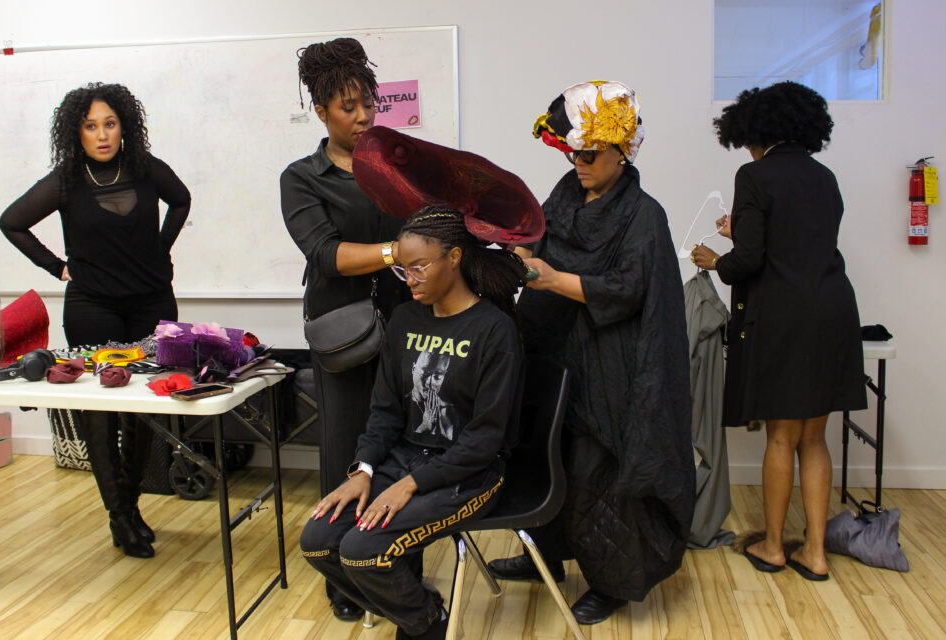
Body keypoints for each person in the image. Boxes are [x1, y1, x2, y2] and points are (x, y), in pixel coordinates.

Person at [488, 81, 694, 624]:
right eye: (570, 152)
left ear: (620, 152)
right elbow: (539, 242)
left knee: (597, 470)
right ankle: (546, 557)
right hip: (555, 353)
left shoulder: (644, 215)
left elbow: (627, 288)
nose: (577, 163)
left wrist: (555, 280)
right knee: (546, 454)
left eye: (587, 154)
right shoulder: (563, 194)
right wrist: (520, 252)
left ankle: (613, 582)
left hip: (612, 364)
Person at [299, 206, 526, 640]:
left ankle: (424, 626)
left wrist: (409, 485)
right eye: (403, 271)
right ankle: (423, 615)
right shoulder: (404, 321)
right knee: (318, 542)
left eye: (419, 267)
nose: (411, 279)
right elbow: (384, 410)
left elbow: (485, 439)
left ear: (455, 258)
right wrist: (363, 470)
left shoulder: (494, 331)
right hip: (405, 458)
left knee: (363, 550)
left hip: (471, 472)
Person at [0, 82, 191, 558]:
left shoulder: (145, 169)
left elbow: (182, 199)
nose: (102, 135)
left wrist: (159, 249)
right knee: (99, 412)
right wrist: (56, 266)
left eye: (110, 123)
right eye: (91, 126)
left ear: (123, 125)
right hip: (91, 307)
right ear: (76, 133)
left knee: (145, 408)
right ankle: (119, 516)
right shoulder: (67, 179)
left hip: (151, 305)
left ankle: (128, 504)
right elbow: (12, 222)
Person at [691, 81, 866, 581]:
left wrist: (716, 258)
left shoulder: (754, 174)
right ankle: (814, 551)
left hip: (784, 316)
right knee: (815, 437)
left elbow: (751, 260)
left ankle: (772, 546)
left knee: (781, 438)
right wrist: (740, 231)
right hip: (832, 310)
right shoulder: (824, 176)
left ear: (757, 131)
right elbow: (797, 239)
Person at [279, 36, 410, 621]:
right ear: (321, 111)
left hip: (406, 326)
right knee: (346, 449)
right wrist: (399, 249)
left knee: (401, 447)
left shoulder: (392, 164)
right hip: (345, 334)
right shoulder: (302, 178)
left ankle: (394, 565)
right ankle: (342, 578)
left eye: (368, 104)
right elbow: (326, 254)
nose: (361, 117)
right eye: (347, 107)